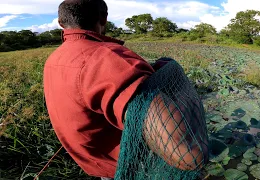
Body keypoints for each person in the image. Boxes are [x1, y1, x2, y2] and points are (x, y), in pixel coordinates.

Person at [43, 0, 208, 179]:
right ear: (104, 18)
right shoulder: (107, 58)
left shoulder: (54, 59)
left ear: (61, 23)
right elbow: (189, 155)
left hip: (101, 167)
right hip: (138, 170)